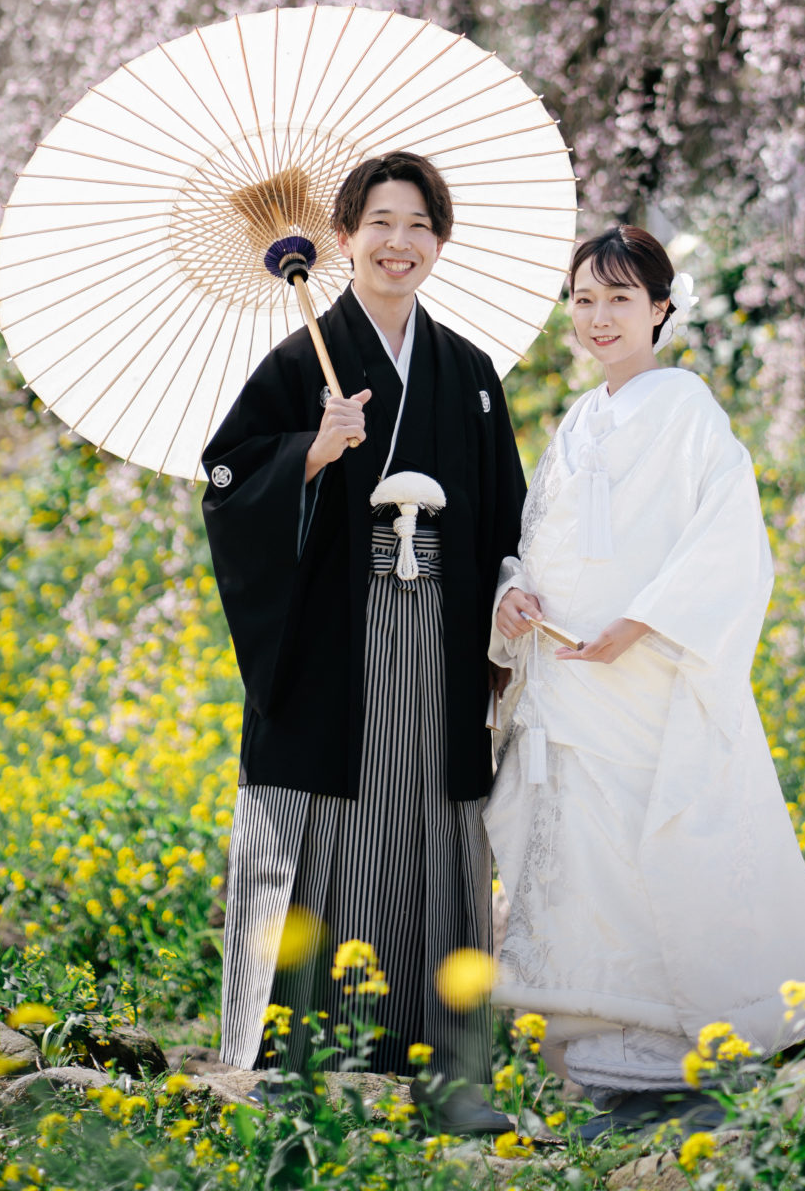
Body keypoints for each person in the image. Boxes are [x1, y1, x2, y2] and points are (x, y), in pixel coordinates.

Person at [485, 225, 805, 1134]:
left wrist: (639, 623)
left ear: (659, 310)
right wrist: (516, 593)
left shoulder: (684, 406)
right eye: (583, 301)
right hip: (570, 671)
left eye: (619, 299)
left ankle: (697, 1048)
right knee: (584, 858)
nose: (599, 318)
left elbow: (727, 537)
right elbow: (538, 539)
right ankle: (612, 1054)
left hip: (646, 667)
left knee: (666, 841)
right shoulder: (577, 418)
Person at [202, 151, 525, 1131]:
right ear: (341, 237)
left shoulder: (467, 373)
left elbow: (508, 514)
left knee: (428, 815)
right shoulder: (300, 363)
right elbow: (225, 482)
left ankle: (433, 1055)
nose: (398, 241)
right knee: (327, 822)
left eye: (418, 223)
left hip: (439, 638)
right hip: (336, 642)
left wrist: (510, 590)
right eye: (378, 221)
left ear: (440, 239)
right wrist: (309, 448)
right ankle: (297, 1057)